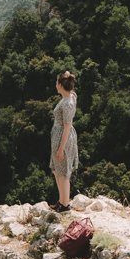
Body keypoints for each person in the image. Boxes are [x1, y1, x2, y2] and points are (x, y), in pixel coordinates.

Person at [48, 70, 79, 212]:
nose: (55, 85)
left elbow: (67, 126)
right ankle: (61, 201)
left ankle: (65, 205)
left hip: (63, 138)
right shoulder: (72, 96)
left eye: (56, 82)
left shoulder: (67, 103)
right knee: (57, 170)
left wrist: (61, 148)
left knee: (64, 173)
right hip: (60, 137)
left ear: (60, 85)